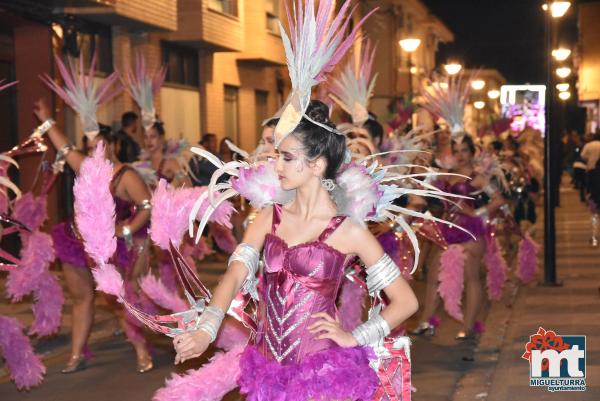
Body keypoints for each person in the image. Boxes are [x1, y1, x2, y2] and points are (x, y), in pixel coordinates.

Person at [172, 101, 419, 400]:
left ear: (316, 164)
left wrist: (355, 337)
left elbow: (405, 301)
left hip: (321, 374)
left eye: (287, 158)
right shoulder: (269, 216)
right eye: (277, 156)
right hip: (266, 368)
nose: (276, 166)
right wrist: (206, 329)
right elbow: (236, 275)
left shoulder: (348, 230)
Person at [33, 99, 154, 374]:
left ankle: (141, 348)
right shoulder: (86, 167)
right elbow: (63, 147)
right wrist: (47, 119)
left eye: (98, 146)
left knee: (118, 299)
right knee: (82, 298)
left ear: (112, 145)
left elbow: (147, 206)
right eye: (89, 148)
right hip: (75, 241)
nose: (93, 152)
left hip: (107, 247)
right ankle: (76, 355)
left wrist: (125, 230)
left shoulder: (126, 175)